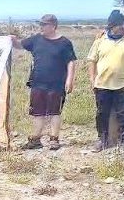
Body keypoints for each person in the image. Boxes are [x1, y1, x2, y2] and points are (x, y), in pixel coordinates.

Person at [11, 14, 77, 150]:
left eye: (44, 24)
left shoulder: (64, 43)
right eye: (40, 24)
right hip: (38, 83)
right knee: (37, 112)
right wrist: (12, 40)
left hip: (57, 84)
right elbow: (19, 45)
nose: (41, 27)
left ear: (53, 26)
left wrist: (70, 79)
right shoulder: (36, 40)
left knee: (55, 112)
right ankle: (35, 140)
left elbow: (70, 62)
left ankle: (54, 139)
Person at [87, 10, 124, 152]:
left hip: (123, 85)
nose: (122, 27)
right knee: (101, 114)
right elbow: (92, 60)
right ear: (111, 26)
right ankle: (102, 140)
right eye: (119, 25)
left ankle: (123, 142)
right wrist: (92, 79)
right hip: (102, 84)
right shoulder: (100, 40)